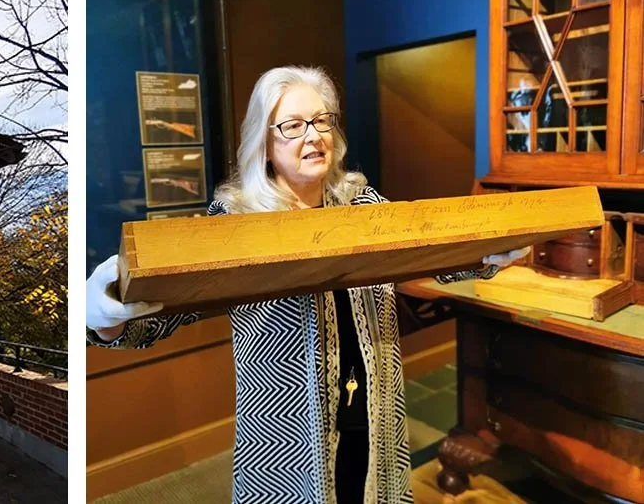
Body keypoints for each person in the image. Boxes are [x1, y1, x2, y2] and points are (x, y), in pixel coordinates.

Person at [85, 65, 529, 504]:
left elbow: (428, 253)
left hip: (374, 416)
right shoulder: (237, 223)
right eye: (293, 125)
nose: (313, 136)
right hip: (287, 443)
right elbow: (151, 321)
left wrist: (487, 255)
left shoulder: (365, 206)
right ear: (264, 142)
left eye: (321, 121)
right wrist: (107, 312)